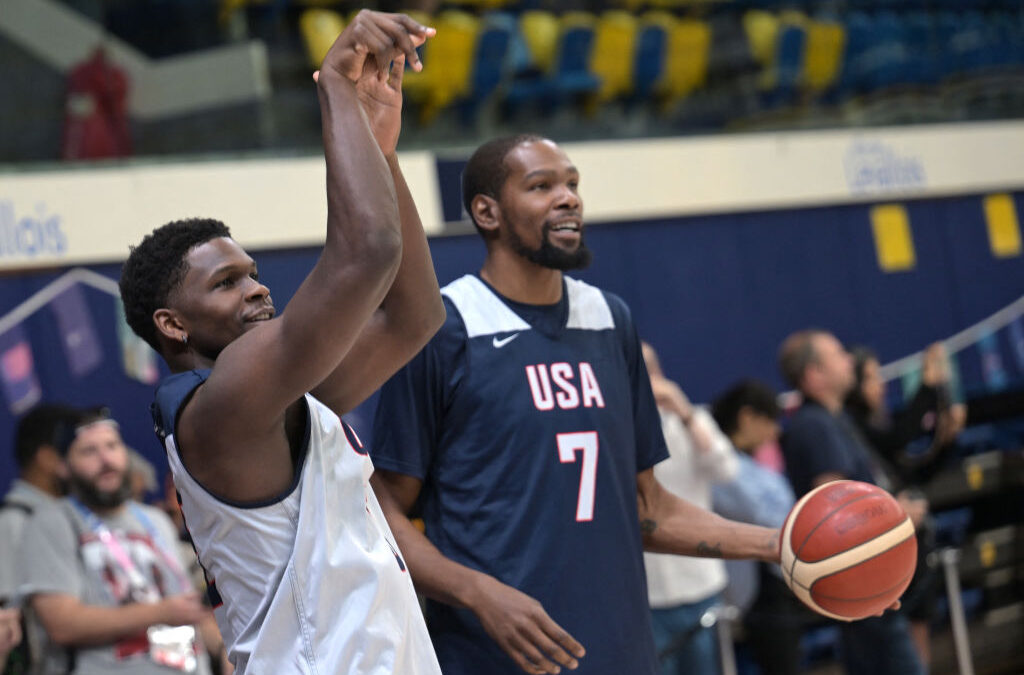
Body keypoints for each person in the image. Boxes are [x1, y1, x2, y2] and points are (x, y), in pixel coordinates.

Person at [368, 134, 781, 675]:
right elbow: (383, 508)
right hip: (496, 658)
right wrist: (477, 593)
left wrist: (782, 543)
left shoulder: (610, 320)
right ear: (487, 212)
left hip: (624, 652)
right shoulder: (446, 328)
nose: (568, 198)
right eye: (541, 186)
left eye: (572, 184)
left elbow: (647, 508)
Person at [118, 10, 446, 674]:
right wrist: (334, 87)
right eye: (227, 283)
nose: (258, 290)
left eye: (255, 275)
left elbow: (414, 316)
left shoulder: (274, 401)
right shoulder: (220, 411)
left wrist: (380, 150)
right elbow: (369, 252)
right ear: (172, 324)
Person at [17, 407, 214, 674]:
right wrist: (159, 613)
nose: (105, 459)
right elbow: (61, 624)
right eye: (89, 451)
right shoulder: (52, 521)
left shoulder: (155, 520)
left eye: (112, 446)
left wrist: (223, 649)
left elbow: (186, 610)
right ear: (64, 466)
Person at [777, 330, 925, 675]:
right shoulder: (815, 426)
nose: (849, 360)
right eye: (839, 353)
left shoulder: (834, 419)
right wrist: (897, 518)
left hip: (868, 583)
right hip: (863, 582)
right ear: (814, 375)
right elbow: (838, 524)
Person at [845, 343, 965, 670]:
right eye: (870, 378)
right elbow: (900, 437)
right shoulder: (852, 427)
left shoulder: (875, 427)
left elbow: (914, 474)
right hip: (882, 557)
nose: (880, 385)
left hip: (913, 550)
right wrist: (927, 384)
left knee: (919, 642)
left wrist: (945, 440)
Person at [640, 342, 738, 675]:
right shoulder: (611, 426)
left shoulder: (692, 420)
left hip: (700, 583)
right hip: (646, 594)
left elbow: (726, 470)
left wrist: (685, 413)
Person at [711, 380, 803, 675]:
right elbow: (759, 512)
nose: (775, 431)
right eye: (769, 421)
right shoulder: (718, 464)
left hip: (775, 579)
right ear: (747, 417)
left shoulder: (752, 463)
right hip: (752, 589)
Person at [1, 403, 79, 674]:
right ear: (47, 458)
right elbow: (8, 614)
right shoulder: (13, 522)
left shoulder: (74, 516)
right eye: (77, 450)